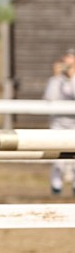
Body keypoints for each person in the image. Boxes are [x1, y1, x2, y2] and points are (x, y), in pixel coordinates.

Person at [43, 49, 75, 195]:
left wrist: (71, 77)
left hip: (73, 124)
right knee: (58, 159)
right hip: (58, 123)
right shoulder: (55, 80)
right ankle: (56, 186)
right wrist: (56, 77)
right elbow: (50, 97)